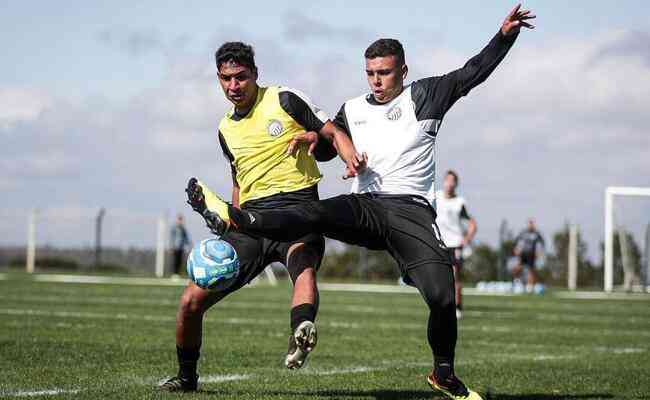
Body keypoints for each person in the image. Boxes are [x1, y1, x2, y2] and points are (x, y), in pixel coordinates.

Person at [186, 5, 534, 399]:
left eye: (384, 72)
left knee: (441, 296)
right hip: (366, 206)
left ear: (403, 71)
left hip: (410, 212)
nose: (376, 80)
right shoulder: (352, 109)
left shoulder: (427, 94)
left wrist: (505, 36)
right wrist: (314, 142)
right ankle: (240, 218)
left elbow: (473, 72)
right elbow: (327, 151)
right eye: (370, 73)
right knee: (314, 214)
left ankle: (443, 373)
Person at [160, 42, 361, 392]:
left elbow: (332, 132)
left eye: (240, 77)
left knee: (303, 265)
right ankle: (186, 376)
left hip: (298, 210)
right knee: (190, 301)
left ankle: (301, 327)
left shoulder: (285, 99)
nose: (233, 86)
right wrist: (231, 223)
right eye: (225, 79)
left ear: (255, 74)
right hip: (251, 223)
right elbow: (240, 180)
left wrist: (349, 159)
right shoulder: (225, 129)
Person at [436, 170, 477, 319]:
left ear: (456, 184)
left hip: (455, 243)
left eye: (453, 181)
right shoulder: (436, 197)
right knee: (439, 277)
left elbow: (472, 223)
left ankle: (458, 307)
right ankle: (442, 305)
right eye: (447, 180)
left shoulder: (459, 202)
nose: (449, 183)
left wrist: (466, 239)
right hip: (439, 242)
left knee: (454, 276)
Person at [512, 218, 545, 292]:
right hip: (523, 254)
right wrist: (516, 249)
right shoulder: (523, 233)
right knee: (517, 268)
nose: (531, 225)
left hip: (531, 254)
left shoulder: (536, 234)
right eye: (530, 224)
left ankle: (530, 288)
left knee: (531, 271)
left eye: (532, 224)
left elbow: (542, 243)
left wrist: (539, 252)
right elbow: (516, 241)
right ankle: (516, 282)